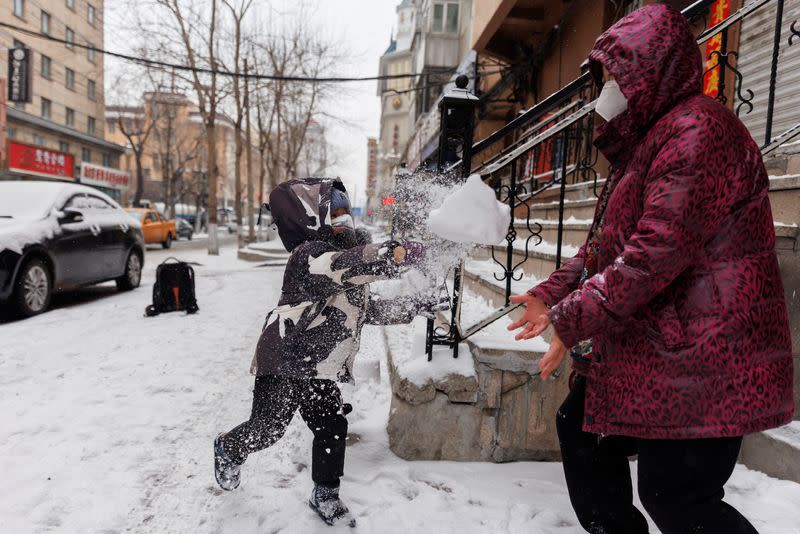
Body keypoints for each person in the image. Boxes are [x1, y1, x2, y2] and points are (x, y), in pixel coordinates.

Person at [508, 4, 793, 534]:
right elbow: (606, 249)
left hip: (707, 353)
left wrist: (573, 321)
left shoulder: (698, 133)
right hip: (659, 343)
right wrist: (552, 294)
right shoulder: (648, 143)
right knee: (582, 431)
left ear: (651, 75)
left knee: (678, 497)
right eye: (606, 78)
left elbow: (651, 255)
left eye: (618, 78)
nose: (607, 91)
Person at [214, 178, 437, 527]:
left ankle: (326, 493)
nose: (343, 219)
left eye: (346, 211)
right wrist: (397, 253)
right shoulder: (308, 257)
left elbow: (367, 309)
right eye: (334, 212)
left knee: (332, 424)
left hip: (318, 365)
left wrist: (413, 305)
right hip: (285, 358)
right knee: (269, 428)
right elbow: (349, 264)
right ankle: (229, 448)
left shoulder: (345, 259)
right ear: (314, 218)